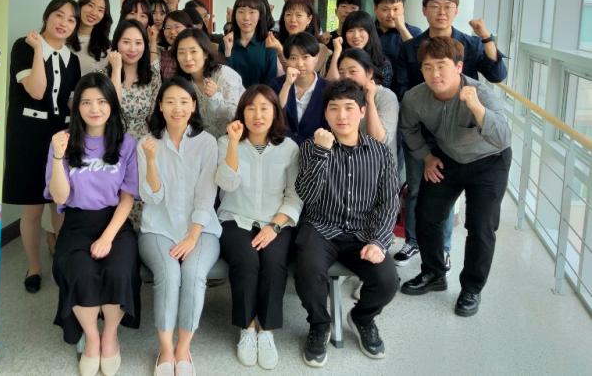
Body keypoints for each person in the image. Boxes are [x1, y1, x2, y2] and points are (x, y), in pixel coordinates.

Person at [392, 0, 507, 269]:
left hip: (460, 133)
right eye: (434, 6)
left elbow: (497, 74)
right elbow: (403, 87)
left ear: (456, 11)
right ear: (424, 10)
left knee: (447, 203)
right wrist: (424, 108)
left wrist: (486, 37)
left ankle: (442, 249)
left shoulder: (471, 44)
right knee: (418, 191)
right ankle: (414, 242)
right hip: (423, 129)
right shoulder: (411, 47)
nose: (441, 12)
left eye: (447, 7)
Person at [399, 38, 511, 317]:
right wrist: (426, 157)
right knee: (426, 214)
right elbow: (408, 129)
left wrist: (477, 108)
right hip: (447, 158)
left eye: (442, 66)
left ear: (459, 67)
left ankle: (472, 288)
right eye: (427, 67)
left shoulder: (481, 93)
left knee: (481, 225)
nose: (434, 74)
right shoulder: (415, 97)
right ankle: (434, 273)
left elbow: (503, 137)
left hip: (489, 162)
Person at [294, 80, 399, 367]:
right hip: (320, 226)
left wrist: (379, 241)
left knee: (388, 280)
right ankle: (319, 324)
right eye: (334, 108)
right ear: (325, 113)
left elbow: (389, 202)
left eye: (349, 108)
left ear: (362, 111)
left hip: (362, 232)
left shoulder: (380, 153)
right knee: (307, 270)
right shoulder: (311, 146)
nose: (342, 116)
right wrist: (321, 153)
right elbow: (306, 195)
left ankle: (362, 318)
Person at [45, 73, 140, 376]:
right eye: (86, 102)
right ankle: (92, 336)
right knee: (79, 271)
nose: (94, 108)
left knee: (118, 270)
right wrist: (58, 157)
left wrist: (108, 237)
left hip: (114, 221)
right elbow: (60, 197)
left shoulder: (126, 143)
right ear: (77, 107)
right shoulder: (62, 141)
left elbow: (127, 198)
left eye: (101, 101)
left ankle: (110, 335)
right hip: (76, 222)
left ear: (112, 104)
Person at [138, 77, 221, 376]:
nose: (177, 108)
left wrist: (192, 236)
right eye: (170, 101)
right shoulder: (146, 143)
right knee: (169, 273)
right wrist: (151, 160)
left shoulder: (207, 142)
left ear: (194, 105)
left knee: (194, 273)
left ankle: (183, 347)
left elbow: (206, 195)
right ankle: (165, 348)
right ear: (160, 106)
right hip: (158, 228)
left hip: (201, 228)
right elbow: (151, 197)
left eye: (184, 101)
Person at [216, 86, 302, 370]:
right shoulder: (225, 142)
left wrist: (275, 226)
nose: (257, 115)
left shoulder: (289, 148)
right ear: (242, 113)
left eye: (265, 108)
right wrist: (232, 143)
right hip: (235, 217)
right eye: (251, 108)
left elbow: (294, 196)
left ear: (275, 112)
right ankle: (247, 327)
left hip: (275, 220)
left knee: (274, 261)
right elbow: (226, 184)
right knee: (246, 260)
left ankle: (266, 330)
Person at [3, 0, 81, 294]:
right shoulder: (25, 46)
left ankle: (61, 261)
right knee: (33, 209)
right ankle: (34, 267)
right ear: (47, 16)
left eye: (71, 19)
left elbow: (71, 102)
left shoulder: (72, 59)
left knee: (60, 204)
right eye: (59, 15)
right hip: (28, 136)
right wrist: (38, 51)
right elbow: (36, 91)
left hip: (59, 135)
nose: (64, 23)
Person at [174, 28, 244, 139]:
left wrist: (215, 97)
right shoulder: (182, 83)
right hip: (202, 143)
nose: (187, 58)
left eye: (193, 51)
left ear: (205, 53)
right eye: (181, 52)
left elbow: (238, 116)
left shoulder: (225, 75)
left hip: (231, 140)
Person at [336, 48, 398, 163]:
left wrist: (370, 100)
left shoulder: (386, 97)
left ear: (369, 73)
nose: (346, 77)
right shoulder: (341, 97)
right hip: (350, 165)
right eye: (341, 72)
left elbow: (378, 140)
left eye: (352, 71)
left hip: (381, 165)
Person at [269, 33, 328, 145]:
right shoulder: (276, 85)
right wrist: (287, 85)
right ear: (286, 60)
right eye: (293, 58)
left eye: (305, 57)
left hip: (316, 150)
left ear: (316, 58)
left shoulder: (327, 88)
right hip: (281, 148)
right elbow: (273, 116)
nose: (300, 64)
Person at [107, 20, 161, 141]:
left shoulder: (153, 76)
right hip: (112, 142)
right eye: (126, 42)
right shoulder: (102, 76)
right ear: (116, 43)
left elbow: (155, 117)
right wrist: (116, 70)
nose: (133, 49)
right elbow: (111, 110)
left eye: (138, 43)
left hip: (143, 143)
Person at [222, 0, 278, 87]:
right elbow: (222, 79)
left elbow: (270, 82)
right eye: (241, 12)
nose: (246, 18)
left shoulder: (268, 44)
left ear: (260, 16)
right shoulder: (226, 42)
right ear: (234, 15)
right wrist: (227, 52)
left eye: (252, 12)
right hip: (230, 96)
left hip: (260, 96)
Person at [327, 11, 393, 89]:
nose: (356, 36)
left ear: (370, 32)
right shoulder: (336, 57)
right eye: (351, 31)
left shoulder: (382, 62)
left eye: (361, 30)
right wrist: (337, 51)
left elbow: (383, 92)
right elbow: (330, 86)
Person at [266, 0, 331, 75]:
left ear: (309, 19)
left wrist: (280, 50)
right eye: (288, 14)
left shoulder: (319, 48)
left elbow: (300, 75)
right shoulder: (274, 42)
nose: (293, 20)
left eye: (298, 15)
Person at [372, 0, 422, 67]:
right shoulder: (367, 31)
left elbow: (418, 61)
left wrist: (402, 29)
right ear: (375, 9)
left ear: (403, 9)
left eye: (396, 9)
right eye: (385, 10)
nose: (391, 15)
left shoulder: (414, 32)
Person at [72, 0, 112, 75]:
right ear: (80, 6)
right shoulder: (63, 37)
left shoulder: (106, 47)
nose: (94, 13)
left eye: (100, 10)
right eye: (90, 5)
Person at [159, 10, 194, 81]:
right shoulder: (162, 55)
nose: (172, 32)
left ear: (188, 28)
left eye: (177, 27)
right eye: (168, 28)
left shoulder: (196, 53)